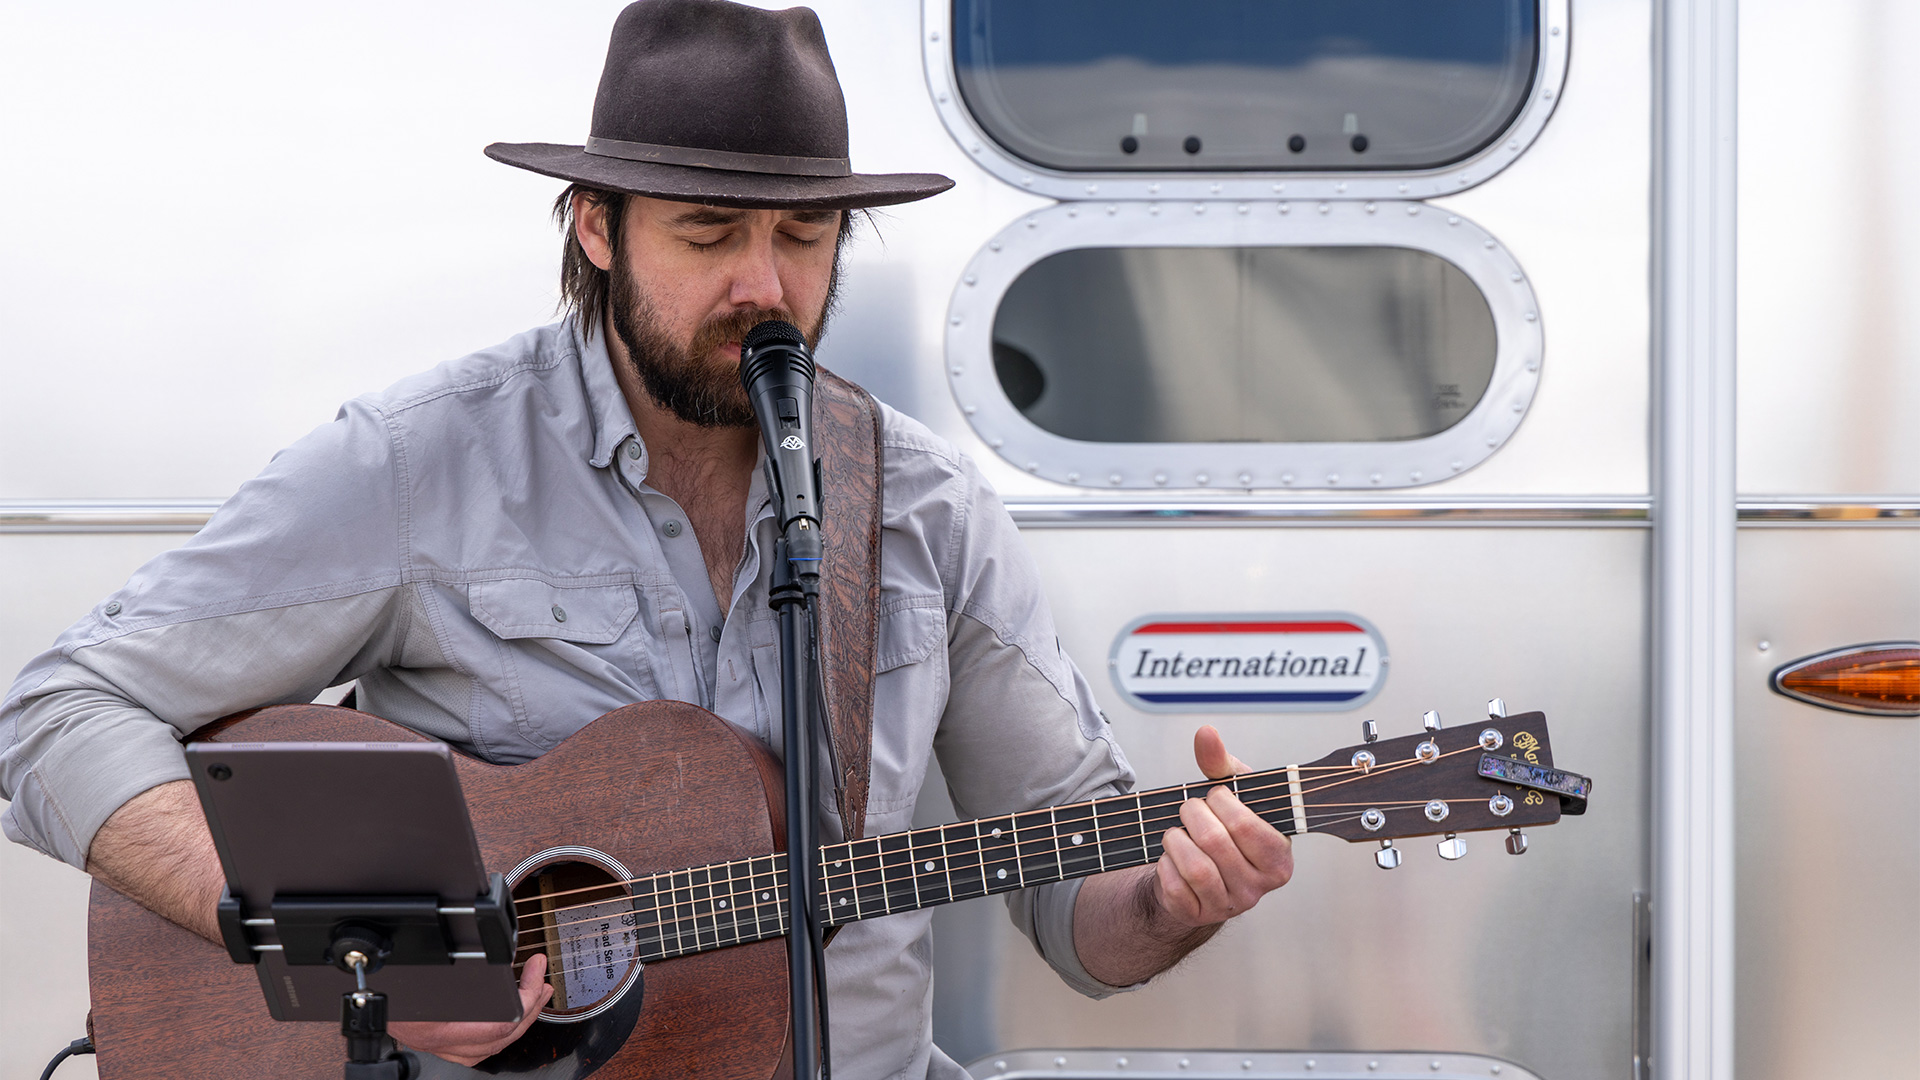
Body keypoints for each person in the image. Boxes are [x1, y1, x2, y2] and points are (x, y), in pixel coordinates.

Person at [0, 1, 1293, 1075]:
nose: (765, 287)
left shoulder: (924, 508)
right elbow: (57, 713)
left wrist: (1173, 902)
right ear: (595, 226)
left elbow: (1078, 902)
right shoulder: (422, 464)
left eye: (804, 236)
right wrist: (355, 945)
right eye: (709, 234)